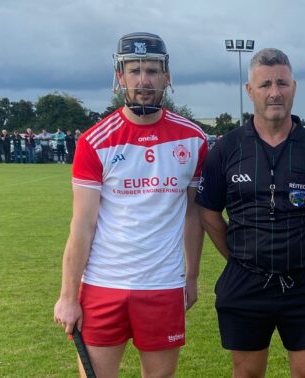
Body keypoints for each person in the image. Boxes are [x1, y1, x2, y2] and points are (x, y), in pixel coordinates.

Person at [53, 32, 207, 377]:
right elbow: (82, 225)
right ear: (120, 76)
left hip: (163, 285)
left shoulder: (194, 139)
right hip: (103, 285)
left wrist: (192, 276)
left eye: (152, 70)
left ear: (167, 76)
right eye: (134, 70)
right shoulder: (95, 141)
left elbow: (194, 215)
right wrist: (68, 295)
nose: (144, 80)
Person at [195, 48, 305, 378]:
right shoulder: (227, 149)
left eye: (282, 83)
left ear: (294, 87)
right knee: (247, 374)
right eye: (265, 84)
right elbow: (209, 213)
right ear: (250, 91)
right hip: (245, 283)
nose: (275, 92)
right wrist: (239, 257)